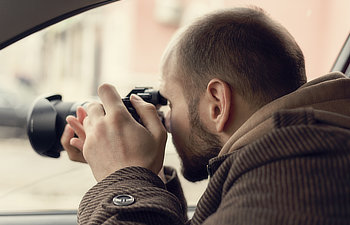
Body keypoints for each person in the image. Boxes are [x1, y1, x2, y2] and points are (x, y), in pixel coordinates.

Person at [61, 7, 350, 225]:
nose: (167, 121)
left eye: (170, 102)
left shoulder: (295, 177)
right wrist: (144, 173)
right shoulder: (295, 157)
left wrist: (120, 179)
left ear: (217, 104)